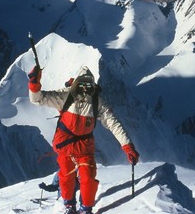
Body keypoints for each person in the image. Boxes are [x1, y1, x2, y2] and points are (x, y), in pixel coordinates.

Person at [28, 65, 139, 214]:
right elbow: (38, 99)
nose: (85, 88)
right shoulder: (66, 96)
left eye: (88, 85)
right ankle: (69, 206)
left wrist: (127, 146)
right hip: (67, 146)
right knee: (66, 177)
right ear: (76, 84)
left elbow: (113, 123)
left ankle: (86, 209)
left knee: (88, 179)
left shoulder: (97, 101)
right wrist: (34, 85)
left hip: (83, 147)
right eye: (82, 84)